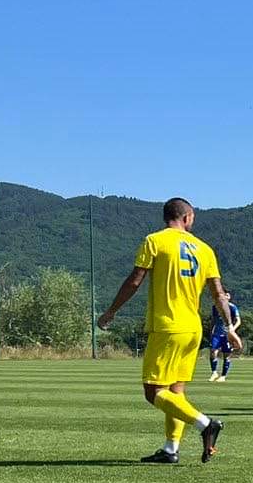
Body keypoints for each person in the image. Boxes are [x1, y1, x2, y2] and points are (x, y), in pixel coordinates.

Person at [97, 197, 237, 464]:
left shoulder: (155, 241)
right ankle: (171, 449)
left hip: (167, 327)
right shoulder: (204, 249)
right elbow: (219, 294)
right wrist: (229, 326)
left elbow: (135, 280)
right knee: (176, 391)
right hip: (193, 329)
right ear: (188, 217)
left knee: (154, 392)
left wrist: (111, 311)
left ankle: (205, 423)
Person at [206, 291, 241, 382]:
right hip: (216, 333)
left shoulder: (232, 307)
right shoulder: (215, 307)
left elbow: (238, 321)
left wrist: (232, 329)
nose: (226, 296)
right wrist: (211, 331)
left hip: (227, 335)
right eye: (224, 295)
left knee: (227, 355)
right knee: (213, 351)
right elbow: (214, 320)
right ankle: (214, 372)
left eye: (227, 295)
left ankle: (223, 376)